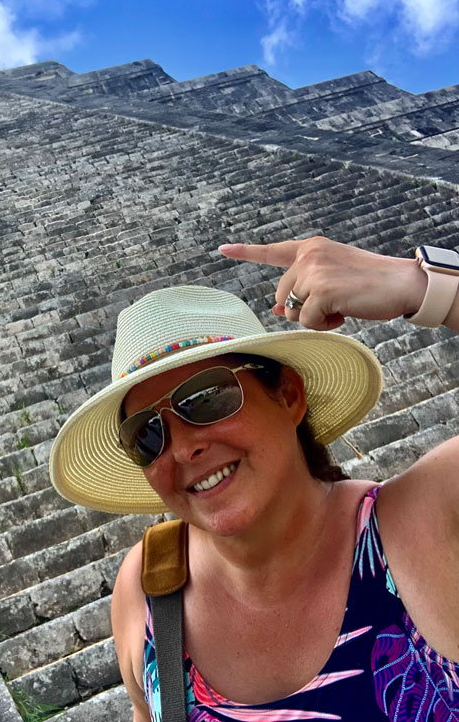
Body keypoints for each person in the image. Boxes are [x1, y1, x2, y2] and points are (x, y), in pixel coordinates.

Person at [49, 236, 459, 721]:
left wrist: (427, 285)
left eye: (206, 399)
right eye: (147, 434)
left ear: (287, 395)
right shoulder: (148, 590)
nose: (182, 448)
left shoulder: (426, 522)